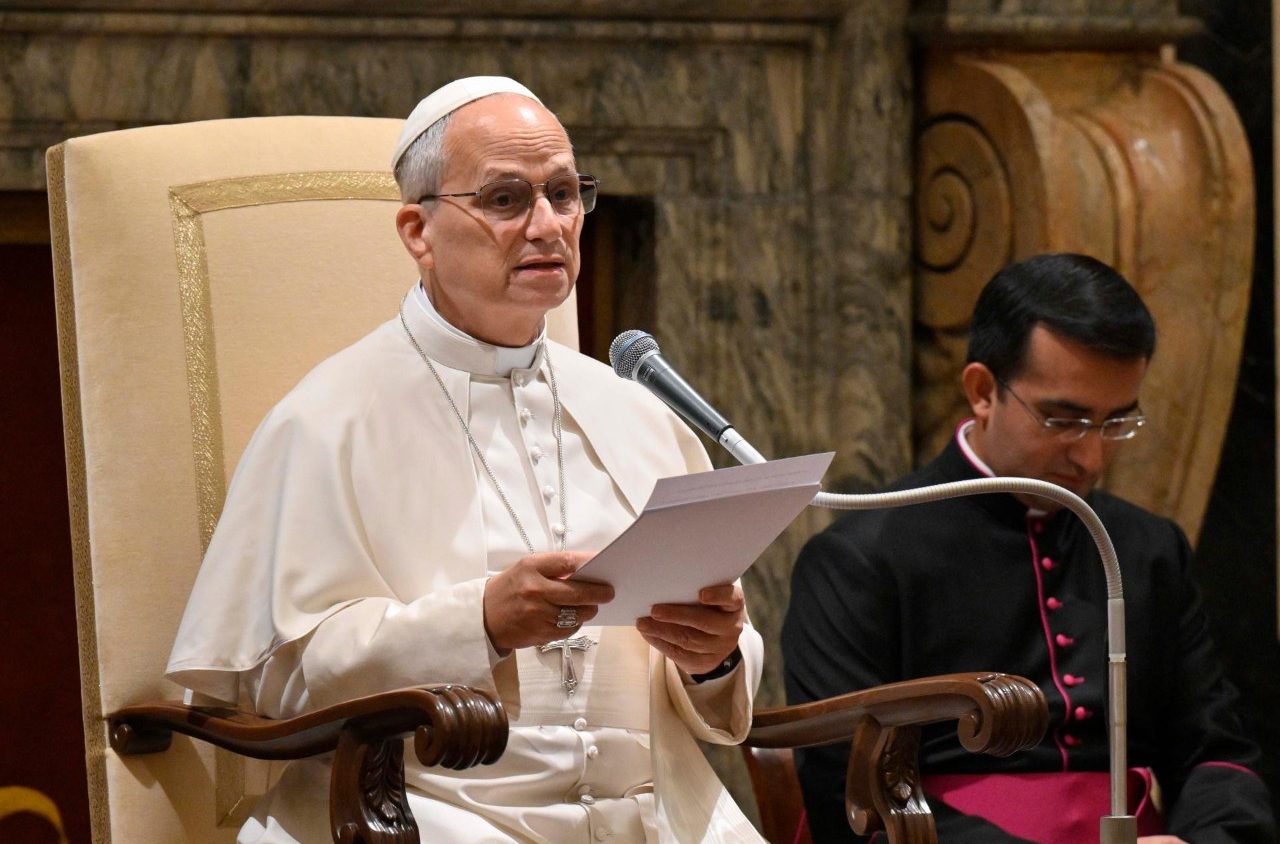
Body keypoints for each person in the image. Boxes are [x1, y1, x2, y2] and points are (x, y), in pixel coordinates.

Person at [165, 76, 765, 844]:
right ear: (418, 231)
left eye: (563, 194)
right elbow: (274, 680)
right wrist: (477, 622)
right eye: (506, 200)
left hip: (654, 815)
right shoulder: (326, 420)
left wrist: (712, 658)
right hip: (436, 814)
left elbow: (722, 660)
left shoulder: (637, 414)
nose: (548, 225)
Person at [783, 254, 1275, 843]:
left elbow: (1216, 752)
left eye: (1116, 423)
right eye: (1064, 420)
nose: (1091, 457)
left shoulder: (1148, 548)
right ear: (982, 391)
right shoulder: (859, 560)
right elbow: (853, 792)